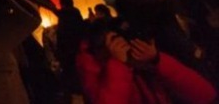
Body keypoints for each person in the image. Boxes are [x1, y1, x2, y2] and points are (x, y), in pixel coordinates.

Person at [75, 17, 217, 104]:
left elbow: (205, 95)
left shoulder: (140, 67)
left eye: (120, 36)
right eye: (113, 39)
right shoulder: (94, 74)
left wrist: (157, 60)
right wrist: (118, 65)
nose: (122, 41)